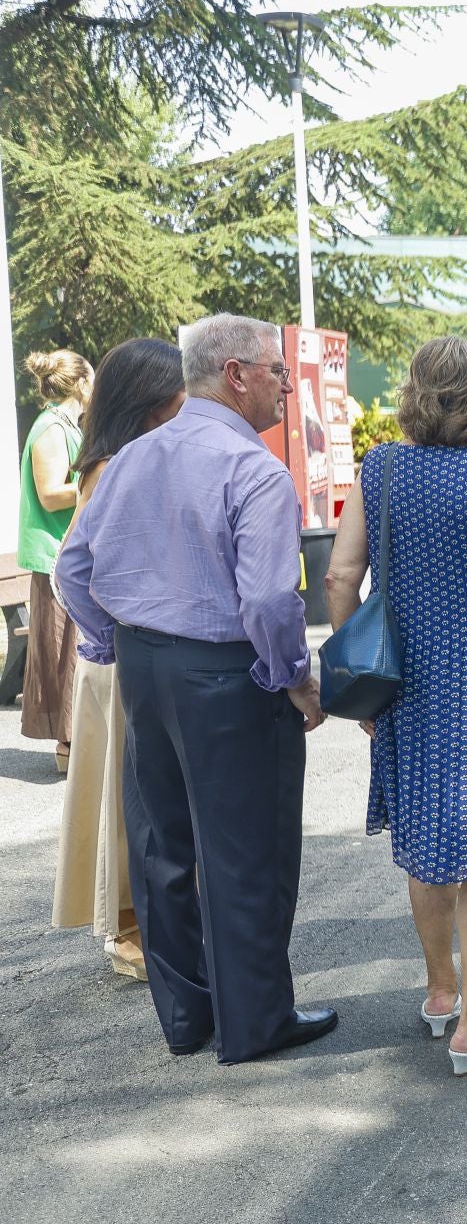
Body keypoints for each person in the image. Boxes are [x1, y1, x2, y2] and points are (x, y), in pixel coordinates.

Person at [56, 314, 334, 1063]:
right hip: (225, 672)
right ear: (236, 374)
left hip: (146, 666)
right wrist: (293, 679)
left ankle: (187, 1017)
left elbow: (71, 571)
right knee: (247, 850)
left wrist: (110, 638)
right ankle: (257, 1022)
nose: (285, 383)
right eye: (276, 370)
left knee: (163, 845)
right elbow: (273, 604)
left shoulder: (134, 458)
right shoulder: (255, 471)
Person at [325, 337, 467, 1076]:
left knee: (425, 844)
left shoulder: (378, 469)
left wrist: (363, 683)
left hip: (403, 691)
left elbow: (342, 576)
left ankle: (441, 992)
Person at [50, 339, 186, 982]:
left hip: (123, 648)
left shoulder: (124, 457)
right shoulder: (112, 466)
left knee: (132, 795)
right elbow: (71, 571)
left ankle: (135, 921)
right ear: (151, 400)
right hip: (117, 653)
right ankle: (125, 928)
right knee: (125, 799)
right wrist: (108, 637)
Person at [18, 348, 92, 773]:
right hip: (54, 558)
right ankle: (69, 748)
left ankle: (74, 745)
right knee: (68, 654)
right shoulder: (50, 427)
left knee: (73, 653)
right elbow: (50, 491)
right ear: (80, 383)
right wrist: (99, 475)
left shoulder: (64, 425)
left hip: (64, 556)